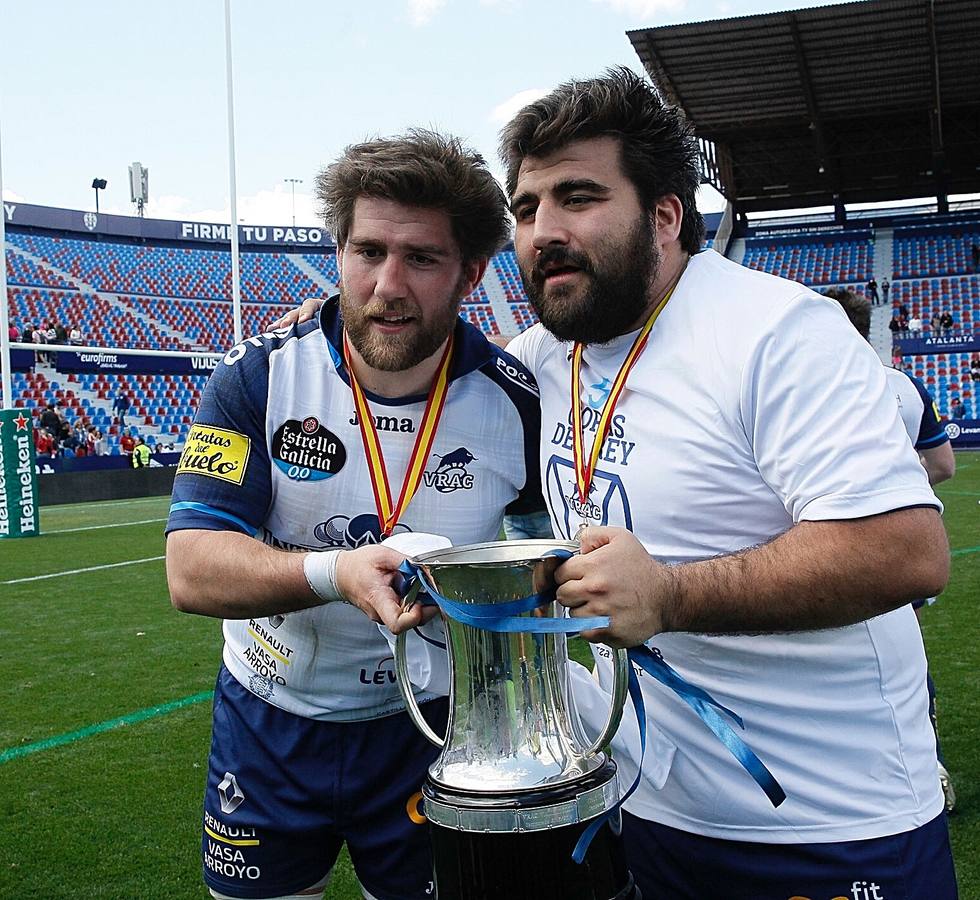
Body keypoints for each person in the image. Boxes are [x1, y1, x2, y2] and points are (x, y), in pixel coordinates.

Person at [281, 72, 956, 899]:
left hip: (821, 820)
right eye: (526, 209)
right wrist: (310, 338)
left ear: (666, 215)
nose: (543, 231)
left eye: (578, 197)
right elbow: (404, 349)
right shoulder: (539, 356)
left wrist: (670, 594)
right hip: (637, 806)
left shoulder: (776, 333)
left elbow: (906, 552)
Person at [164, 130, 543, 900]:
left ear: (471, 272)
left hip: (432, 728)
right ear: (338, 252)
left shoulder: (518, 400)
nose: (388, 284)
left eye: (423, 258)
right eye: (368, 251)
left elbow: (548, 562)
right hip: (268, 722)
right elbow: (190, 569)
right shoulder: (257, 375)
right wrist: (337, 573)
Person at [828, 287, 958, 814]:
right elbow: (944, 466)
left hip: (831, 547)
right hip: (903, 547)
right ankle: (928, 766)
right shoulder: (903, 385)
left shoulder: (814, 383)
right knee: (901, 655)